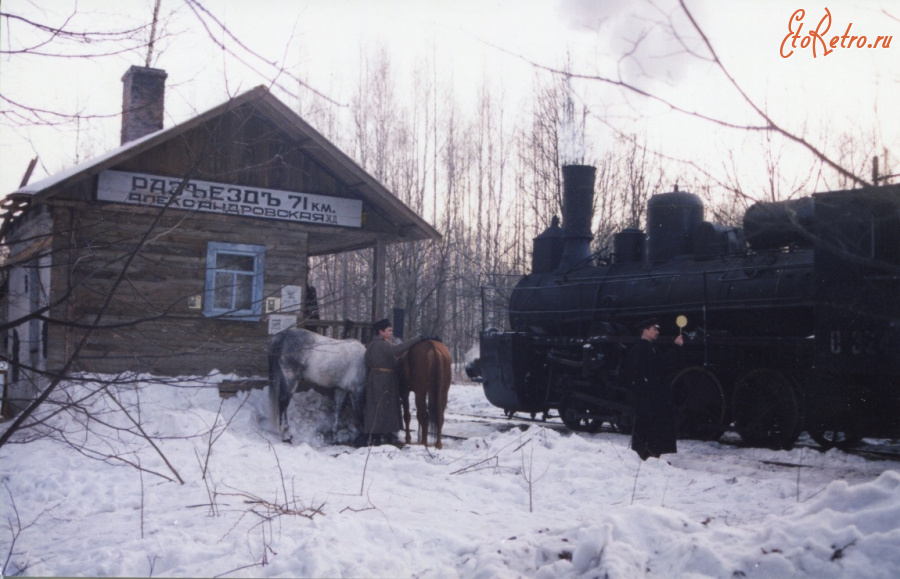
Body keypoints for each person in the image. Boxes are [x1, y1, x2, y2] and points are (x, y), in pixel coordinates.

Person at [360, 319, 427, 447]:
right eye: (389, 330)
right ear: (381, 332)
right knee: (385, 408)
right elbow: (398, 350)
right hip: (385, 380)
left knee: (376, 408)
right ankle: (383, 437)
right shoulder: (383, 345)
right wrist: (418, 339)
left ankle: (377, 436)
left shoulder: (371, 345)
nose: (391, 333)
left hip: (374, 379)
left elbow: (368, 361)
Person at [625, 318, 684, 460]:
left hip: (649, 393)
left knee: (650, 423)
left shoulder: (648, 348)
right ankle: (646, 454)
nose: (657, 332)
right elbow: (658, 365)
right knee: (649, 424)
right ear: (645, 331)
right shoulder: (642, 348)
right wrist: (676, 347)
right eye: (654, 329)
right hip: (648, 395)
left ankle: (650, 454)